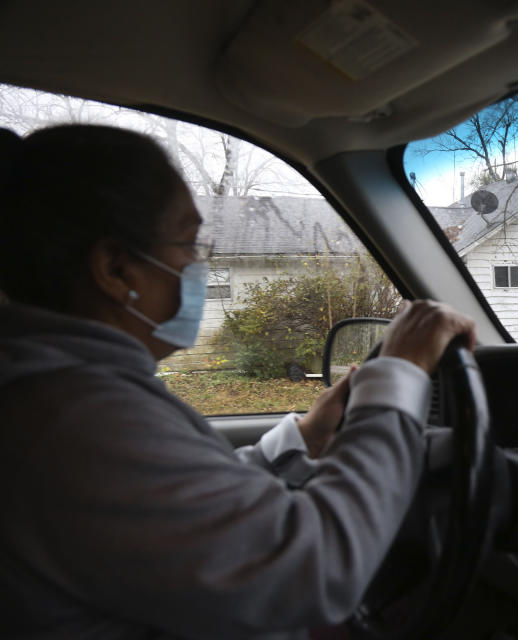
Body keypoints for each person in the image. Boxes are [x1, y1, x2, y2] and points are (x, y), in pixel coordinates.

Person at [0, 124, 476, 638]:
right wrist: (398, 374)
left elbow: (194, 506)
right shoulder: (76, 419)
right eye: (187, 244)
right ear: (115, 269)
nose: (198, 267)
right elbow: (313, 574)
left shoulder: (64, 394)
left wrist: (303, 438)